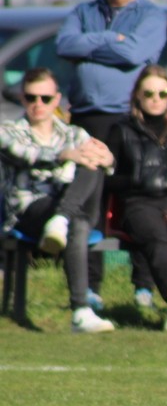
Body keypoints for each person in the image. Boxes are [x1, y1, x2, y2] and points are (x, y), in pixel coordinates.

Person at [56, 0, 166, 309]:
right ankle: (89, 286)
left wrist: (89, 45)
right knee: (90, 202)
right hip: (86, 118)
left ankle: (144, 286)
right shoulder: (85, 10)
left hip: (129, 119)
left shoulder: (150, 14)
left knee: (136, 197)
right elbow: (65, 44)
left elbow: (135, 53)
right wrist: (109, 39)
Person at [0, 67, 115, 333]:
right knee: (79, 224)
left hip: (68, 208)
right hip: (29, 210)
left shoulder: (74, 134)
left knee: (92, 165)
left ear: (57, 99)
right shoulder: (8, 131)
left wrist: (108, 159)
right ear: (22, 98)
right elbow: (26, 155)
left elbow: (101, 160)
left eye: (45, 98)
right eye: (31, 98)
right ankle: (81, 311)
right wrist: (64, 155)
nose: (38, 104)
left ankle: (61, 219)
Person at [105, 65, 167, 333]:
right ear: (137, 96)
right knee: (158, 239)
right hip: (139, 201)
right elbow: (108, 179)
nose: (155, 99)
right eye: (148, 93)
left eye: (163, 93)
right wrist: (136, 180)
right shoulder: (122, 129)